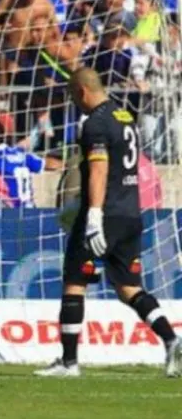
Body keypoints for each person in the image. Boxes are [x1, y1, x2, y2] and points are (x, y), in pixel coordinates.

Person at [35, 67, 181, 378]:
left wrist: (93, 215)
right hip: (131, 213)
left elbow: (99, 171)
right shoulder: (124, 116)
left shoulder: (96, 124)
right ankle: (171, 339)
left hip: (105, 214)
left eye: (74, 97)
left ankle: (69, 362)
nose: (75, 103)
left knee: (74, 283)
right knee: (129, 287)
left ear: (82, 92)